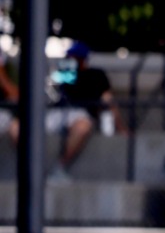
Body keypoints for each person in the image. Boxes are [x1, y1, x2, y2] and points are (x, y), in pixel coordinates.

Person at [9, 41, 120, 180]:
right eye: (69, 56)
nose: (71, 59)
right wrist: (59, 76)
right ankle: (34, 168)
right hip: (56, 112)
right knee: (16, 127)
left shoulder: (95, 75)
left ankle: (59, 168)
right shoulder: (65, 73)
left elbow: (107, 98)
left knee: (83, 126)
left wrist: (121, 128)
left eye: (74, 57)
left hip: (80, 112)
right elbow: (51, 92)